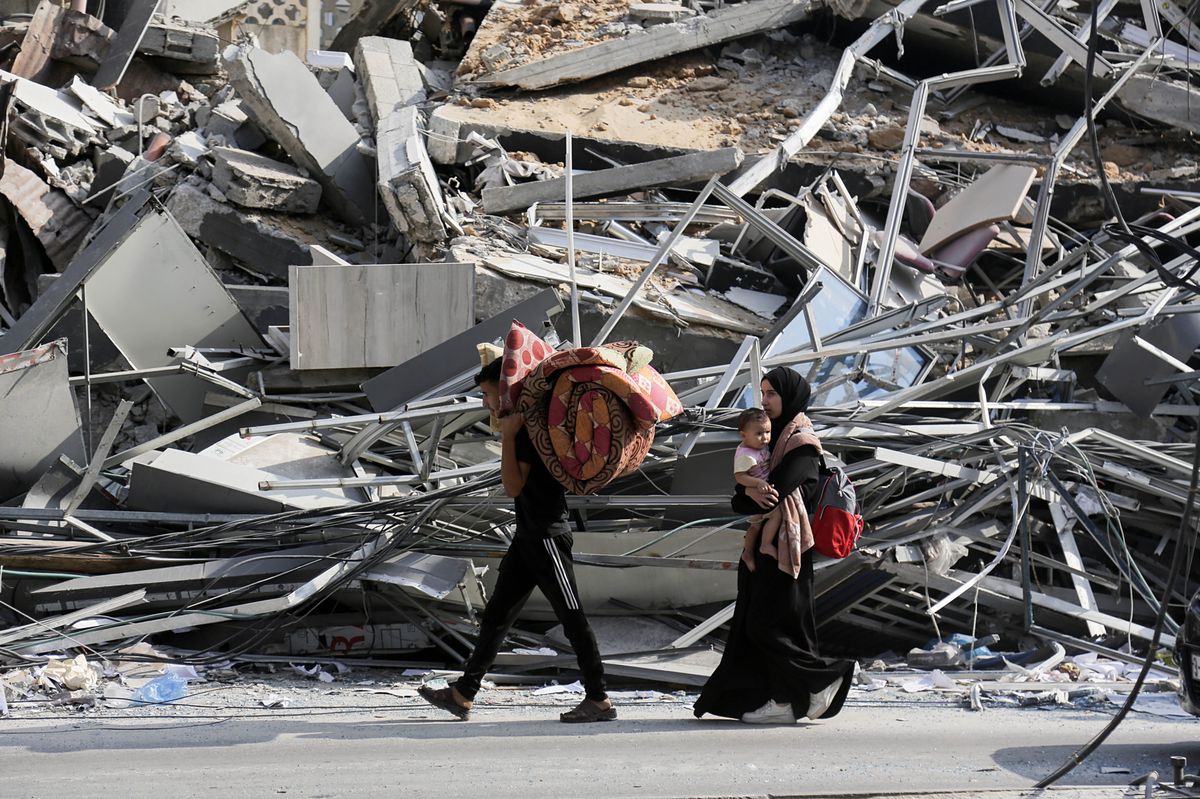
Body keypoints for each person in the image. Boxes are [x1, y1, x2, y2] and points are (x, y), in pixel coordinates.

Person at [418, 357, 616, 723]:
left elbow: (512, 486)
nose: (485, 402)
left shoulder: (528, 431)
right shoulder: (529, 423)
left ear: (505, 390)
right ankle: (464, 692)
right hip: (528, 538)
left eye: (487, 394)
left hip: (547, 538)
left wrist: (508, 436)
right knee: (496, 617)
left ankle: (599, 698)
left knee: (572, 617)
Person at [694, 367, 854, 725]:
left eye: (772, 394)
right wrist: (750, 492)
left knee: (767, 626)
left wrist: (749, 493)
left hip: (786, 550)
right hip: (767, 551)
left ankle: (819, 681)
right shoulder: (769, 440)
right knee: (763, 627)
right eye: (762, 393)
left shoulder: (801, 444)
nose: (764, 401)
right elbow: (742, 497)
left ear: (790, 396)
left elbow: (772, 495)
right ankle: (779, 698)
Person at [732, 407, 771, 570]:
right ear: (744, 435)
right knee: (756, 525)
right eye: (759, 434)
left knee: (770, 518)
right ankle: (749, 552)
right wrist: (757, 483)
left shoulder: (758, 446)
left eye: (768, 432)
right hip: (756, 493)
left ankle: (764, 545)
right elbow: (740, 477)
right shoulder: (746, 455)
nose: (765, 438)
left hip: (764, 489)